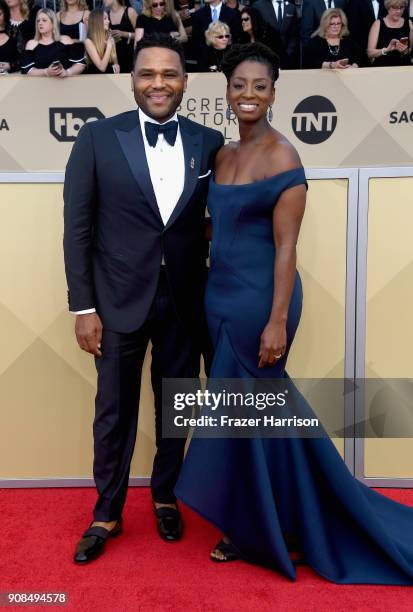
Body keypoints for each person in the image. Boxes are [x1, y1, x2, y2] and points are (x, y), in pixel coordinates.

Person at [175, 42, 413, 585]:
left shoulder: (284, 157)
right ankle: (272, 515)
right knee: (244, 415)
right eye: (239, 85)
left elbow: (286, 247)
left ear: (275, 93)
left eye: (260, 86)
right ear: (227, 91)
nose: (249, 94)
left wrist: (277, 320)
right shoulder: (222, 156)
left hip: (264, 300)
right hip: (220, 300)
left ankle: (271, 526)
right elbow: (222, 226)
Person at [64, 33, 223, 564]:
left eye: (169, 74)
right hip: (114, 303)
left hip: (183, 301)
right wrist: (83, 308)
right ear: (132, 80)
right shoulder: (97, 138)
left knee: (177, 408)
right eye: (147, 74)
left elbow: (211, 223)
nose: (159, 83)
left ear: (185, 80)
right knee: (114, 412)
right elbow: (77, 230)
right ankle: (106, 512)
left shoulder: (210, 141)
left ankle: (163, 496)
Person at [21, 8, 85, 76]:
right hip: (40, 85)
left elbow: (80, 64)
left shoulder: (65, 40)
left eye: (44, 20)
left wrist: (67, 72)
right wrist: (46, 72)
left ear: (53, 23)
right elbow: (27, 70)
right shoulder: (31, 44)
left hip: (65, 83)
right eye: (38, 21)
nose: (40, 23)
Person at [191, 0, 242, 71]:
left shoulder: (233, 14)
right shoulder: (198, 14)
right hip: (205, 66)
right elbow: (196, 40)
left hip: (227, 64)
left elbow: (235, 39)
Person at [253, 0, 299, 68]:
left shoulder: (291, 7)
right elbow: (256, 32)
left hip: (287, 60)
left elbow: (294, 34)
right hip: (265, 60)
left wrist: (288, 53)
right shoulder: (258, 6)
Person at [367, 0, 412, 65]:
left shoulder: (409, 23)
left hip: (403, 67)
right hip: (383, 68)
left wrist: (404, 51)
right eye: (395, 8)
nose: (398, 11)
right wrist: (387, 50)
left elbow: (410, 51)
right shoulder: (378, 24)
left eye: (401, 7)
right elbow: (370, 53)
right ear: (388, 8)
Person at [348, 0, 386, 65]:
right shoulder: (355, 2)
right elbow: (353, 30)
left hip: (384, 53)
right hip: (362, 53)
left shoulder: (386, 2)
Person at [104, 0, 137, 72]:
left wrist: (123, 34)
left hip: (130, 56)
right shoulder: (106, 15)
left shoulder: (130, 11)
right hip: (114, 58)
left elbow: (141, 35)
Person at [85, 8, 120, 73]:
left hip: (111, 79)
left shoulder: (110, 38)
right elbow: (102, 68)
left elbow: (116, 66)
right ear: (97, 21)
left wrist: (116, 67)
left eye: (108, 18)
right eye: (105, 19)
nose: (108, 21)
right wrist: (109, 47)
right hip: (96, 80)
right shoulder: (89, 41)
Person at [0, 0, 19, 73]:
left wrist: (10, 65)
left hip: (11, 79)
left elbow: (23, 59)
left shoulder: (14, 32)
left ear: (5, 14)